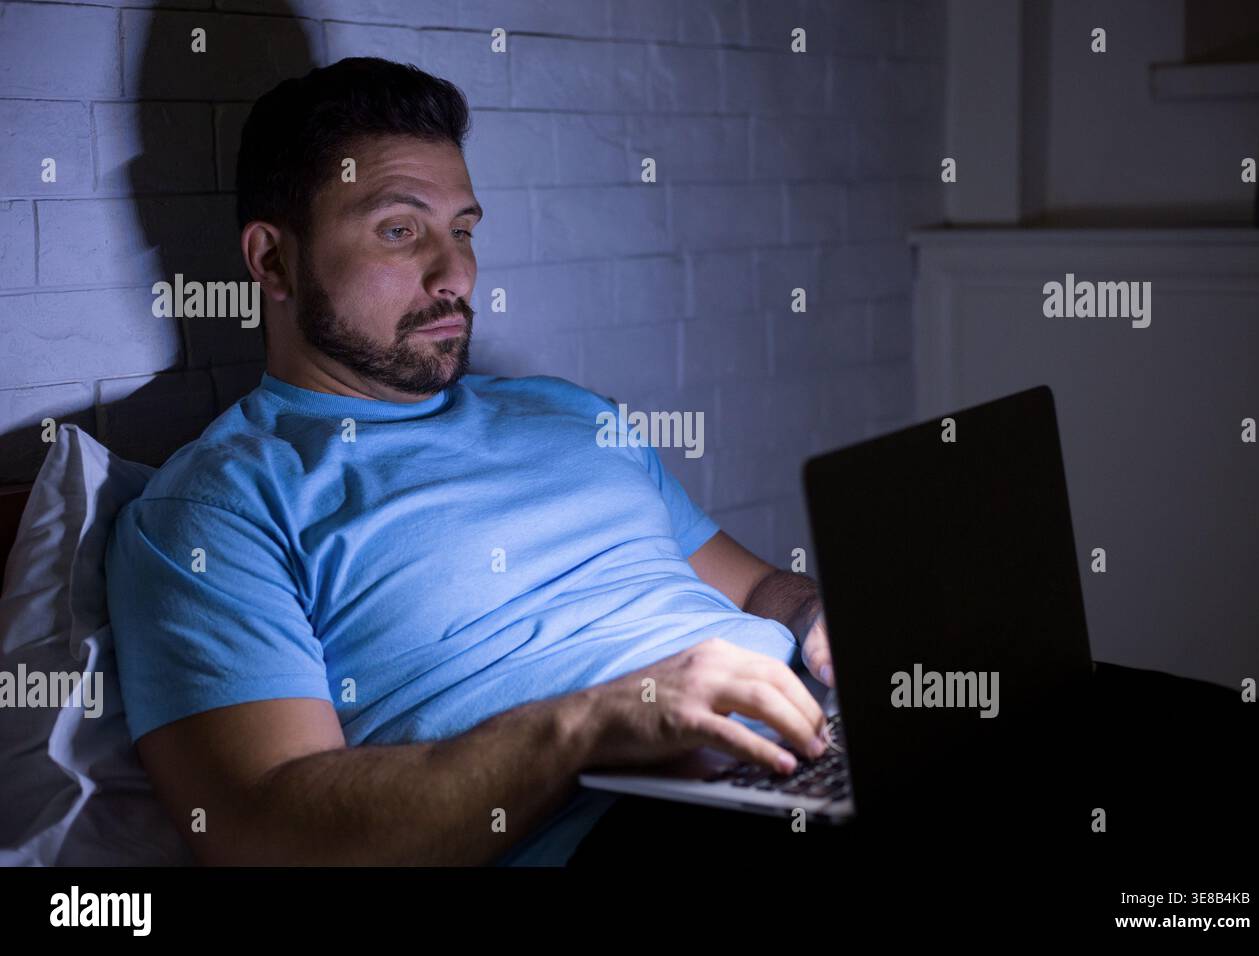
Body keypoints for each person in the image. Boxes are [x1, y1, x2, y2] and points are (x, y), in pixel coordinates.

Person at [105, 58, 836, 867]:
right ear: (272, 261)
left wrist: (817, 620)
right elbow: (266, 831)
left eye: (462, 230)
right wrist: (597, 722)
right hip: (628, 826)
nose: (455, 274)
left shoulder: (569, 414)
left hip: (819, 743)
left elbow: (758, 590)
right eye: (399, 230)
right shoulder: (218, 508)